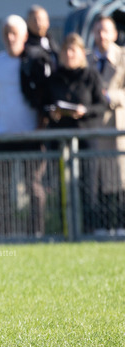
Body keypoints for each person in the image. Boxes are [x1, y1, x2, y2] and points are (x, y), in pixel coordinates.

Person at [0, 14, 47, 237]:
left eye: (14, 33)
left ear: (24, 36)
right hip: (3, 135)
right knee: (2, 188)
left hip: (31, 136)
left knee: (33, 186)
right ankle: (5, 233)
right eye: (6, 33)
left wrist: (40, 129)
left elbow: (43, 98)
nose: (10, 38)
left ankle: (36, 233)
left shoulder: (35, 61)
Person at [45, 32, 107, 235]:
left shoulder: (91, 76)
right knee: (63, 185)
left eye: (73, 50)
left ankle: (89, 230)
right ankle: (65, 229)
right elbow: (43, 104)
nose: (69, 54)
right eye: (66, 50)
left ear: (82, 53)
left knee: (88, 186)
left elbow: (101, 106)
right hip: (61, 140)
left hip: (86, 138)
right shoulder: (54, 78)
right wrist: (52, 112)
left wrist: (84, 111)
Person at [89, 15, 125, 234]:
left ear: (114, 34)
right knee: (98, 180)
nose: (101, 35)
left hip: (117, 128)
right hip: (95, 127)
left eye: (105, 31)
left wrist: (110, 96)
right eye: (97, 31)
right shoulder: (87, 59)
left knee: (120, 179)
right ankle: (101, 226)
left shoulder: (123, 58)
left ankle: (121, 225)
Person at [21, 5, 59, 112]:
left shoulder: (52, 43)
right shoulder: (25, 47)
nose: (38, 23)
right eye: (34, 20)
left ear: (48, 22)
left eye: (41, 20)